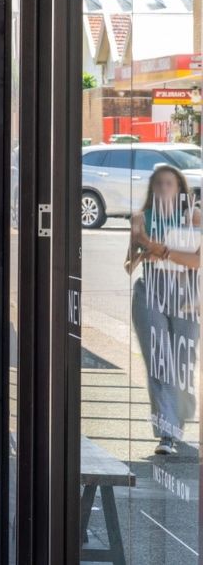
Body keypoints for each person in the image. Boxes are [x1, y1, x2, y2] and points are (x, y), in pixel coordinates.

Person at [128, 164, 200, 455]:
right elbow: (128, 264)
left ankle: (178, 417)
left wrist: (159, 249)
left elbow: (197, 262)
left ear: (180, 188)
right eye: (158, 184)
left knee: (183, 363)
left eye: (169, 183)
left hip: (185, 295)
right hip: (150, 292)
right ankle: (166, 434)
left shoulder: (192, 217)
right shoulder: (141, 219)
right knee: (160, 362)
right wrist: (141, 250)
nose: (163, 188)